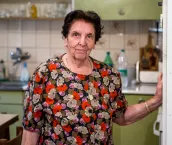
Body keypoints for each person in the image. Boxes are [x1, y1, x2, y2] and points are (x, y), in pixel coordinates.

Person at [22, 10, 162, 145]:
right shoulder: (45, 74)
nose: (83, 42)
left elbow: (122, 117)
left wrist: (156, 100)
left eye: (89, 36)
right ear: (66, 39)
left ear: (94, 42)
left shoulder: (108, 76)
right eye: (76, 34)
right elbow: (31, 130)